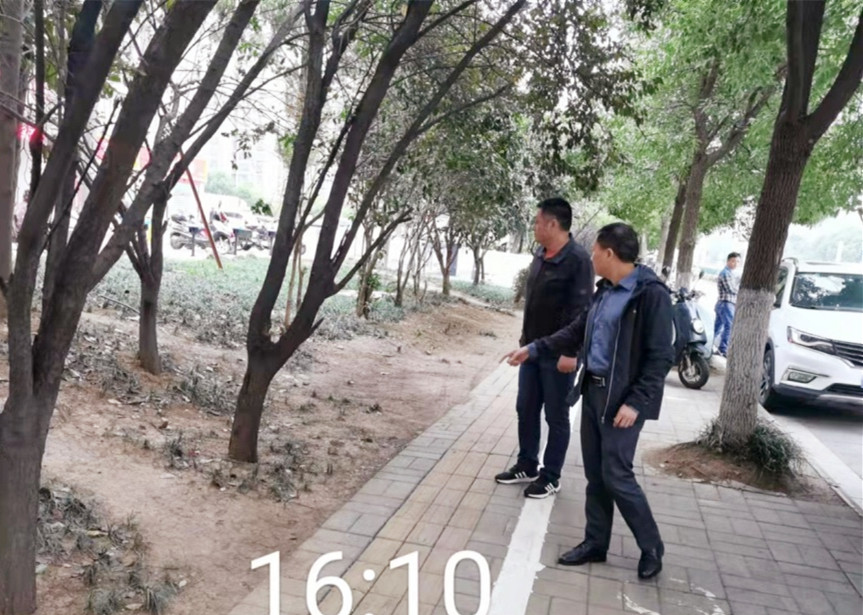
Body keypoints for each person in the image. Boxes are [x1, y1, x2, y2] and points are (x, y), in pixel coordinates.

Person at [504, 222, 673, 580]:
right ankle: (596, 542)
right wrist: (533, 349)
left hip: (622, 401)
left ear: (609, 253)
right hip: (593, 391)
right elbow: (576, 331)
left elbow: (660, 357)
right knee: (596, 475)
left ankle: (651, 547)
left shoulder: (650, 294)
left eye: (595, 251)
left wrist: (635, 403)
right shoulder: (605, 291)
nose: (591, 257)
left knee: (617, 474)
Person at [495, 197, 593, 499]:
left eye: (537, 222)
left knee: (556, 415)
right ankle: (527, 464)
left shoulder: (578, 260)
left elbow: (582, 312)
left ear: (552, 224)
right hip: (532, 351)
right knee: (525, 407)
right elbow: (535, 302)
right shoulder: (541, 253)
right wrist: (525, 342)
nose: (534, 226)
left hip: (559, 355)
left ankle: (551, 476)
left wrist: (571, 352)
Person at [714, 252, 741, 357]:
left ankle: (708, 345)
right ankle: (723, 349)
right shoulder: (725, 273)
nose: (736, 264)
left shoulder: (731, 274)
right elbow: (731, 289)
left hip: (724, 304)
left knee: (717, 327)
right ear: (728, 261)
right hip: (726, 304)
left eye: (738, 262)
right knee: (728, 327)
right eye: (733, 261)